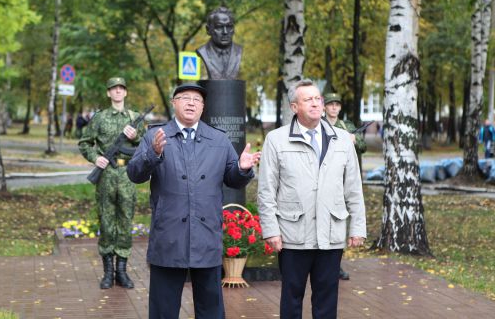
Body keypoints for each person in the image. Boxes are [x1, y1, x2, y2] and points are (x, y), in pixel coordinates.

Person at [127, 83, 261, 318]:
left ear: (203, 107)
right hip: (169, 235)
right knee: (163, 309)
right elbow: (134, 174)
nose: (191, 103)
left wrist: (242, 168)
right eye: (185, 98)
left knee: (210, 308)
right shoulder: (156, 136)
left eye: (197, 100)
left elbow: (233, 179)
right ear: (174, 103)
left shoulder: (218, 139)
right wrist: (153, 154)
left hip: (206, 234)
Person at [257, 79, 366, 319]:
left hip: (331, 233)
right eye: (308, 99)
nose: (316, 104)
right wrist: (271, 230)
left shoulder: (342, 139)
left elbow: (353, 188)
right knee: (292, 298)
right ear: (294, 107)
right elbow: (266, 190)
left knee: (327, 300)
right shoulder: (276, 140)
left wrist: (358, 227)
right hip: (293, 235)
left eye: (318, 99)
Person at [78, 77, 145, 289]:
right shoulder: (99, 118)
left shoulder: (134, 118)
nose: (117, 91)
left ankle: (122, 272)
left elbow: (146, 145)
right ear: (108, 93)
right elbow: (84, 142)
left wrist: (134, 137)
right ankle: (108, 272)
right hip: (106, 174)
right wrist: (95, 158)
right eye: (113, 89)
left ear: (125, 92)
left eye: (121, 88)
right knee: (106, 223)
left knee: (125, 221)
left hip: (127, 175)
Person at [323, 92, 366, 281]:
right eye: (330, 104)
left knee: (339, 219)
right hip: (325, 178)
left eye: (336, 105)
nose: (333, 108)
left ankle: (336, 264)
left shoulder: (346, 126)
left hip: (343, 178)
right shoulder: (319, 124)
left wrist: (354, 140)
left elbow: (363, 146)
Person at [196, 7, 243, 80]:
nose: (225, 32)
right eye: (219, 27)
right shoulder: (203, 51)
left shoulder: (238, 51)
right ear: (208, 30)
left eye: (229, 27)